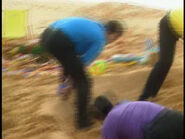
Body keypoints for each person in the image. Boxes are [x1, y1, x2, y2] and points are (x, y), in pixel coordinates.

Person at [40, 17, 123, 129]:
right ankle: (82, 122)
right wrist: (70, 83)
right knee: (84, 81)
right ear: (113, 33)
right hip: (60, 40)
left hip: (47, 34)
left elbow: (72, 62)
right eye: (116, 38)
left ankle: (64, 93)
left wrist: (67, 81)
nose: (114, 41)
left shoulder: (96, 25)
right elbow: (82, 64)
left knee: (70, 63)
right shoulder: (100, 40)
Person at [138, 8, 183, 101]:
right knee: (165, 62)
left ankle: (152, 94)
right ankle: (145, 96)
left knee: (166, 60)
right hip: (168, 24)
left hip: (179, 26)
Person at [93, 95, 183, 139]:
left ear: (100, 117)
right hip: (175, 117)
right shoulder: (125, 103)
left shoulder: (108, 124)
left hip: (157, 131)